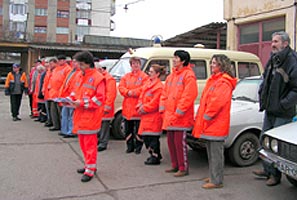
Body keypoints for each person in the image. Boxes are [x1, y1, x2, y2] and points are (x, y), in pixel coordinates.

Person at [252, 31, 297, 186]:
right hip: (270, 110)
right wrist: (261, 95)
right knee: (264, 141)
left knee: (277, 146)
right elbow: (265, 80)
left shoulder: (292, 61)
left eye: (276, 41)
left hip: (282, 112)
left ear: (285, 44)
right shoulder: (273, 59)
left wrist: (283, 104)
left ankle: (275, 176)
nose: (272, 44)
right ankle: (267, 169)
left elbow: (295, 90)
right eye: (272, 41)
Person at [192, 54, 237, 189]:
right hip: (211, 123)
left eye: (214, 63)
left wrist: (206, 116)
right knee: (211, 153)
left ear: (222, 65)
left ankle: (217, 180)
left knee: (216, 154)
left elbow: (217, 102)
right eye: (211, 63)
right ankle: (213, 175)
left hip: (216, 124)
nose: (211, 65)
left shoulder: (223, 82)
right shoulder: (215, 80)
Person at [160, 50, 198, 177]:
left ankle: (183, 167)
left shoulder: (188, 75)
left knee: (179, 143)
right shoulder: (171, 76)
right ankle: (175, 165)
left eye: (176, 58)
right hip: (170, 116)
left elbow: (188, 96)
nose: (174, 59)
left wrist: (178, 112)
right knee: (170, 142)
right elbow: (164, 94)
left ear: (183, 61)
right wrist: (163, 109)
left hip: (181, 118)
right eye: (174, 57)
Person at [69, 51, 105, 182]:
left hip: (90, 117)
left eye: (81, 64)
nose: (79, 66)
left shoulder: (98, 78)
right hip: (80, 116)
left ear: (88, 64)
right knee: (83, 145)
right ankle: (88, 165)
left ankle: (90, 169)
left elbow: (99, 99)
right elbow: (75, 91)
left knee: (90, 145)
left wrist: (82, 103)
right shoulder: (79, 75)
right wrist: (70, 99)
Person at [118, 56, 149, 154]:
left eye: (137, 64)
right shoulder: (126, 76)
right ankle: (129, 146)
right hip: (127, 108)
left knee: (139, 130)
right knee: (128, 130)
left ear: (140, 65)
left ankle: (138, 147)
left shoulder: (144, 77)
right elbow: (121, 88)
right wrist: (128, 92)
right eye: (133, 64)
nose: (135, 65)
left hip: (138, 107)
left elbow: (144, 89)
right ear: (131, 65)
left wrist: (133, 92)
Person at [137, 64, 165, 165]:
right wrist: (139, 105)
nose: (149, 73)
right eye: (149, 71)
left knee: (152, 138)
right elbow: (141, 96)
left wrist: (144, 108)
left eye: (151, 72)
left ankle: (155, 156)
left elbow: (155, 103)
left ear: (157, 74)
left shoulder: (159, 87)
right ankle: (154, 154)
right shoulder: (147, 84)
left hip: (153, 116)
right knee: (146, 137)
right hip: (146, 116)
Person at [95, 63, 117, 151]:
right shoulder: (101, 78)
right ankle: (100, 141)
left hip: (105, 107)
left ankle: (103, 143)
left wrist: (107, 106)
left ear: (100, 70)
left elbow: (111, 95)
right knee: (100, 125)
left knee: (104, 125)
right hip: (99, 107)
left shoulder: (109, 79)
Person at [47, 55, 71, 132]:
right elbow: (52, 79)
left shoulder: (67, 69)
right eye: (59, 60)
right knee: (53, 111)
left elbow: (66, 82)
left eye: (61, 60)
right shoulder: (56, 69)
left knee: (61, 112)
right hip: (53, 94)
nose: (60, 61)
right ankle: (55, 125)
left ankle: (62, 127)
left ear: (64, 60)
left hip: (61, 94)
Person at [58, 59, 80, 138]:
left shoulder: (79, 73)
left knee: (71, 116)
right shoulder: (72, 71)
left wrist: (72, 96)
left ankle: (71, 131)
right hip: (66, 97)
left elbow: (76, 87)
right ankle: (64, 130)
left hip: (72, 97)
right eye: (73, 62)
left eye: (75, 62)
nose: (73, 63)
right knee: (64, 115)